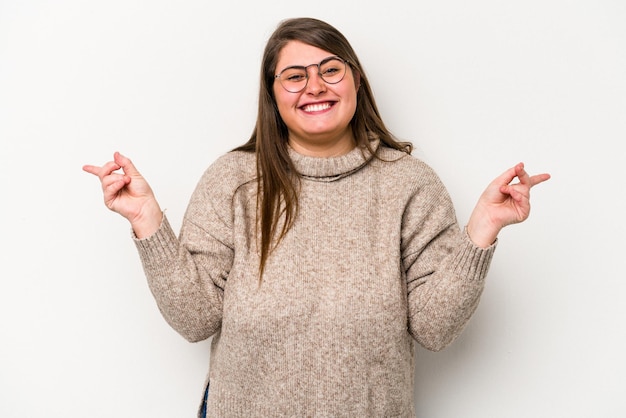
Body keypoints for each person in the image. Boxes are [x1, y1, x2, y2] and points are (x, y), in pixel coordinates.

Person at [83, 17, 550, 418]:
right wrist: (147, 221)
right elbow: (195, 318)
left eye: (331, 70)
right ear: (273, 93)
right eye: (294, 76)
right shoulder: (233, 180)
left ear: (356, 81)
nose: (315, 86)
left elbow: (434, 328)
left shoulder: (410, 185)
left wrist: (481, 232)